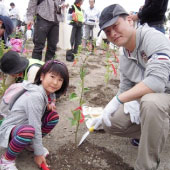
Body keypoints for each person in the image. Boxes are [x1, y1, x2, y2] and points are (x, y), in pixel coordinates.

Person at [91, 4, 170, 170]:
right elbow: (124, 89)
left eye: (115, 26)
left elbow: (156, 82)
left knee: (150, 102)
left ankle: (146, 166)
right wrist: (107, 110)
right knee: (111, 122)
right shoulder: (125, 55)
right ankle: (157, 129)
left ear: (129, 20)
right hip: (156, 100)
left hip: (165, 93)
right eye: (107, 31)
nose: (112, 34)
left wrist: (118, 99)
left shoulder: (152, 37)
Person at [0, 59, 69, 170]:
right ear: (42, 76)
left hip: (24, 126)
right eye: (52, 77)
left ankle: (29, 144)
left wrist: (51, 102)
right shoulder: (36, 95)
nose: (55, 82)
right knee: (29, 131)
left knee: (53, 117)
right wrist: (39, 153)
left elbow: (52, 95)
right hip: (10, 130)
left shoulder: (45, 91)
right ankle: (6, 160)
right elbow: (35, 126)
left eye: (60, 79)